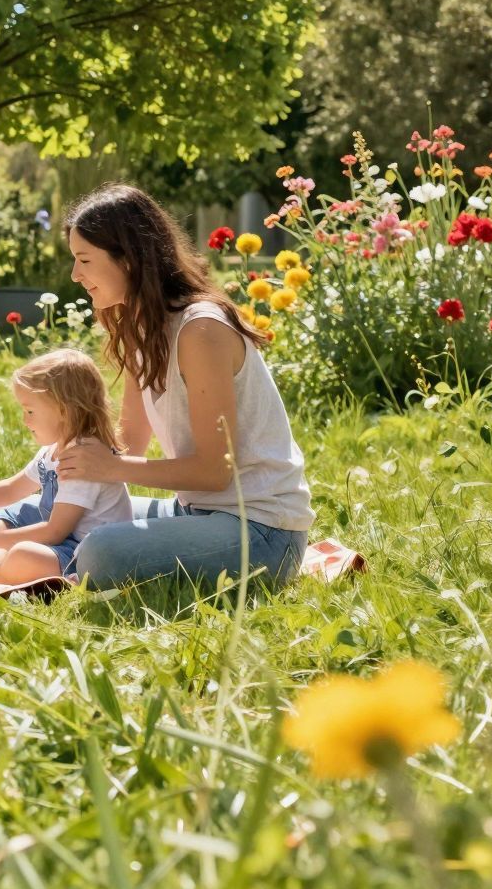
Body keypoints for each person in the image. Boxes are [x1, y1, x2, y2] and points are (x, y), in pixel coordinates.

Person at [52, 184, 313, 588]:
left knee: (101, 551)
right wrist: (66, 455)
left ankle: (57, 565)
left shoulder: (200, 330)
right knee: (50, 511)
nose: (75, 274)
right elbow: (129, 444)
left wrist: (110, 466)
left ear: (130, 260)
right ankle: (41, 555)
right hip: (197, 515)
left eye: (84, 259)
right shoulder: (142, 325)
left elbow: (214, 473)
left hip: (261, 531)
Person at [0, 348, 132, 585]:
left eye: (30, 411)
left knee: (24, 556)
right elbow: (12, 488)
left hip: (89, 558)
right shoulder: (55, 449)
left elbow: (55, 531)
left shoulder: (82, 459)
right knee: (16, 508)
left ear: (64, 410)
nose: (25, 420)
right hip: (66, 543)